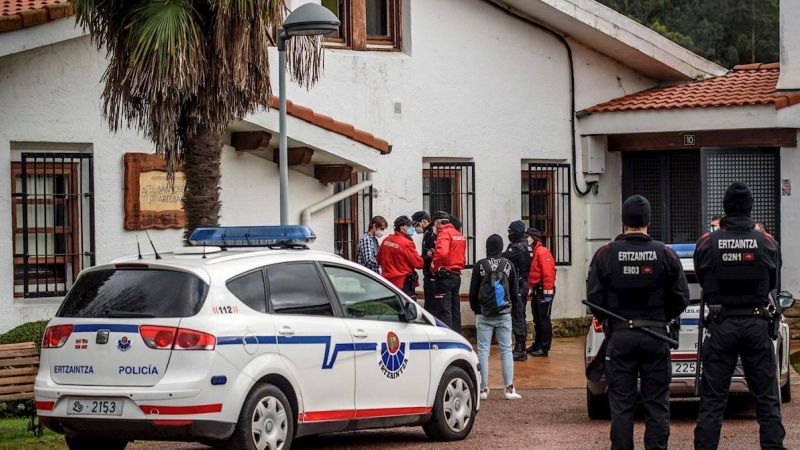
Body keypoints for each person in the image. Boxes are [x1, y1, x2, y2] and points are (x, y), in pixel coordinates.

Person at [587, 194, 690, 450]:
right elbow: (681, 298)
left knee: (621, 406)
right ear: (648, 221)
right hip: (656, 336)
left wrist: (611, 318)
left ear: (623, 221)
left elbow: (594, 299)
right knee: (657, 404)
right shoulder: (665, 254)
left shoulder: (605, 253)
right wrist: (661, 317)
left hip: (620, 337)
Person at [693, 182, 785, 450]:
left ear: (725, 207)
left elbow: (701, 275)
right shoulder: (766, 242)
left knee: (712, 401)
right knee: (767, 400)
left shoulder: (707, 242)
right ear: (750, 207)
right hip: (756, 323)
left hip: (722, 325)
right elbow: (771, 281)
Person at [469, 234, 522, 400]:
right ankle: (508, 388)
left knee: (483, 351)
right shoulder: (508, 265)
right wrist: (513, 311)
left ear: (487, 247)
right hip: (504, 312)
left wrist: (476, 309)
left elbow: (473, 291)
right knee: (506, 350)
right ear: (501, 247)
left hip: (484, 313)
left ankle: (483, 389)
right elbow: (514, 291)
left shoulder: (480, 265)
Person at [429, 211, 467, 333]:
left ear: (438, 222)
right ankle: (458, 335)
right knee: (455, 308)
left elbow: (442, 253)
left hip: (445, 275)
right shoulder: (458, 234)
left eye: (434, 224)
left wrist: (433, 267)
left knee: (444, 310)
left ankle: (448, 337)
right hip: (456, 274)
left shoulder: (443, 233)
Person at [501, 220, 532, 361]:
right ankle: (520, 347)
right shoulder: (524, 245)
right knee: (519, 314)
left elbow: (504, 257)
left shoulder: (519, 247)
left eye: (510, 232)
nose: (509, 234)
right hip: (520, 284)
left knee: (518, 315)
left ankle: (520, 348)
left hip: (519, 285)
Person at [526, 227, 557, 357]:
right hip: (538, 289)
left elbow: (548, 272)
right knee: (537, 319)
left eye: (528, 237)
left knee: (544, 319)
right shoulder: (536, 251)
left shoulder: (542, 252)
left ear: (533, 238)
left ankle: (544, 348)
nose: (526, 239)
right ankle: (538, 344)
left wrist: (548, 292)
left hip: (543, 289)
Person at [376, 216, 425, 298]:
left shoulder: (386, 240)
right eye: (409, 226)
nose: (411, 228)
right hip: (403, 283)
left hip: (387, 282)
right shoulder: (406, 243)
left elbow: (379, 259)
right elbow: (418, 264)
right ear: (402, 228)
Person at [412, 211, 437, 310]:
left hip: (431, 273)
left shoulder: (432, 232)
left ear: (423, 221)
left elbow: (432, 254)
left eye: (417, 224)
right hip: (428, 271)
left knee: (431, 305)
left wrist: (420, 259)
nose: (416, 228)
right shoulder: (427, 232)